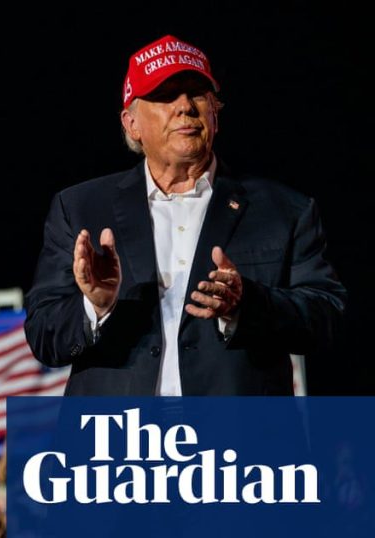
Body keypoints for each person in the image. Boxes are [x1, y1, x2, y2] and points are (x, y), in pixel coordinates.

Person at [23, 34, 346, 395]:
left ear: (215, 114)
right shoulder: (80, 207)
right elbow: (43, 336)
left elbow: (327, 316)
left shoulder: (284, 210)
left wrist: (247, 305)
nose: (185, 107)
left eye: (197, 94)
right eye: (165, 96)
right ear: (131, 124)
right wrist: (94, 307)